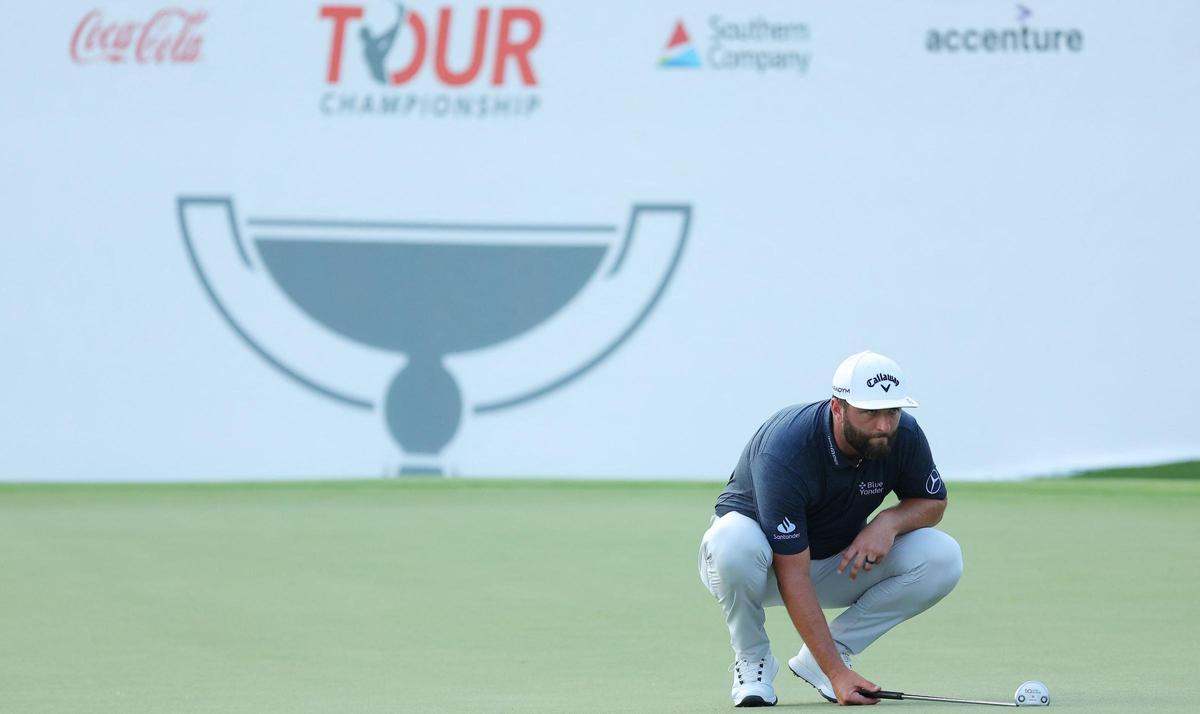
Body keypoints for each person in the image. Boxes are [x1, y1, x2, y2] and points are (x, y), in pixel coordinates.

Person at [698, 351, 963, 707]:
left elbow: (933, 502)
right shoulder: (786, 449)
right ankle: (752, 657)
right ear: (838, 408)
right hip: (759, 569)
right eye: (870, 413)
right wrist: (839, 676)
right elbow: (793, 574)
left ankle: (823, 657)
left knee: (942, 557)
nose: (884, 425)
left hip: (834, 560)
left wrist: (889, 521)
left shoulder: (903, 435)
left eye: (893, 411)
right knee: (733, 541)